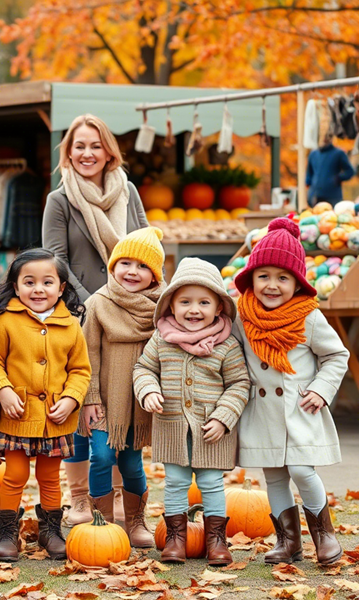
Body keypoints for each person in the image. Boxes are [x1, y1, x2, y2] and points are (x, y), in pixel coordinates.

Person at [42, 114, 149, 526]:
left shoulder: (129, 191)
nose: (87, 154)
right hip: (79, 313)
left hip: (129, 315)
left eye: (95, 146)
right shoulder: (61, 199)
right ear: (68, 153)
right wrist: (96, 301)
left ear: (109, 152)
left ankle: (120, 500)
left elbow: (143, 245)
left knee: (118, 404)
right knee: (81, 408)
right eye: (78, 146)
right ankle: (80, 499)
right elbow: (57, 261)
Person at [233, 218, 349, 565]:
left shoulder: (308, 317)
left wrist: (321, 389)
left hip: (300, 408)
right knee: (274, 475)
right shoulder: (242, 316)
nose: (272, 285)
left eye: (283, 278)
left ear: (298, 283)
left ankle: (324, 535)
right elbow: (230, 351)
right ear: (250, 278)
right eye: (264, 276)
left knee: (301, 469)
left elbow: (336, 355)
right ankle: (288, 541)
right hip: (262, 411)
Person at [134, 258, 250, 566]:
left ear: (219, 308)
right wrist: (149, 390)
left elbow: (239, 384)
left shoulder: (226, 345)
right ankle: (176, 538)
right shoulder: (161, 340)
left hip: (210, 430)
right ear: (170, 306)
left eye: (203, 302)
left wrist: (223, 418)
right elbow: (143, 368)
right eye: (185, 301)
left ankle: (216, 540)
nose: (194, 309)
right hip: (172, 426)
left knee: (211, 483)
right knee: (174, 482)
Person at [0, 248, 91, 562]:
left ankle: (51, 530)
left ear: (61, 288)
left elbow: (80, 370)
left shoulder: (70, 325)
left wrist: (71, 399)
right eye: (29, 282)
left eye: (47, 282)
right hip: (18, 413)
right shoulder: (5, 322)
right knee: (14, 473)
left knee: (49, 475)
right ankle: (7, 531)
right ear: (16, 287)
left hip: (55, 418)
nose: (38, 289)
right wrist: (2, 391)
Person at [79, 227, 166, 548]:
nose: (133, 271)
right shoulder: (97, 303)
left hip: (139, 402)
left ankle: (136, 521)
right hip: (104, 400)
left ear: (155, 275)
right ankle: (101, 523)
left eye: (143, 266)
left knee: (131, 462)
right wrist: (89, 398)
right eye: (125, 263)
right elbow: (86, 354)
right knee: (101, 457)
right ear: (113, 266)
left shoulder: (162, 307)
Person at [306, 134, 355, 207]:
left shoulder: (338, 153)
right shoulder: (313, 154)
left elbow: (350, 171)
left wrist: (338, 178)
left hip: (333, 195)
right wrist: (308, 183)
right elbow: (309, 173)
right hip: (316, 194)